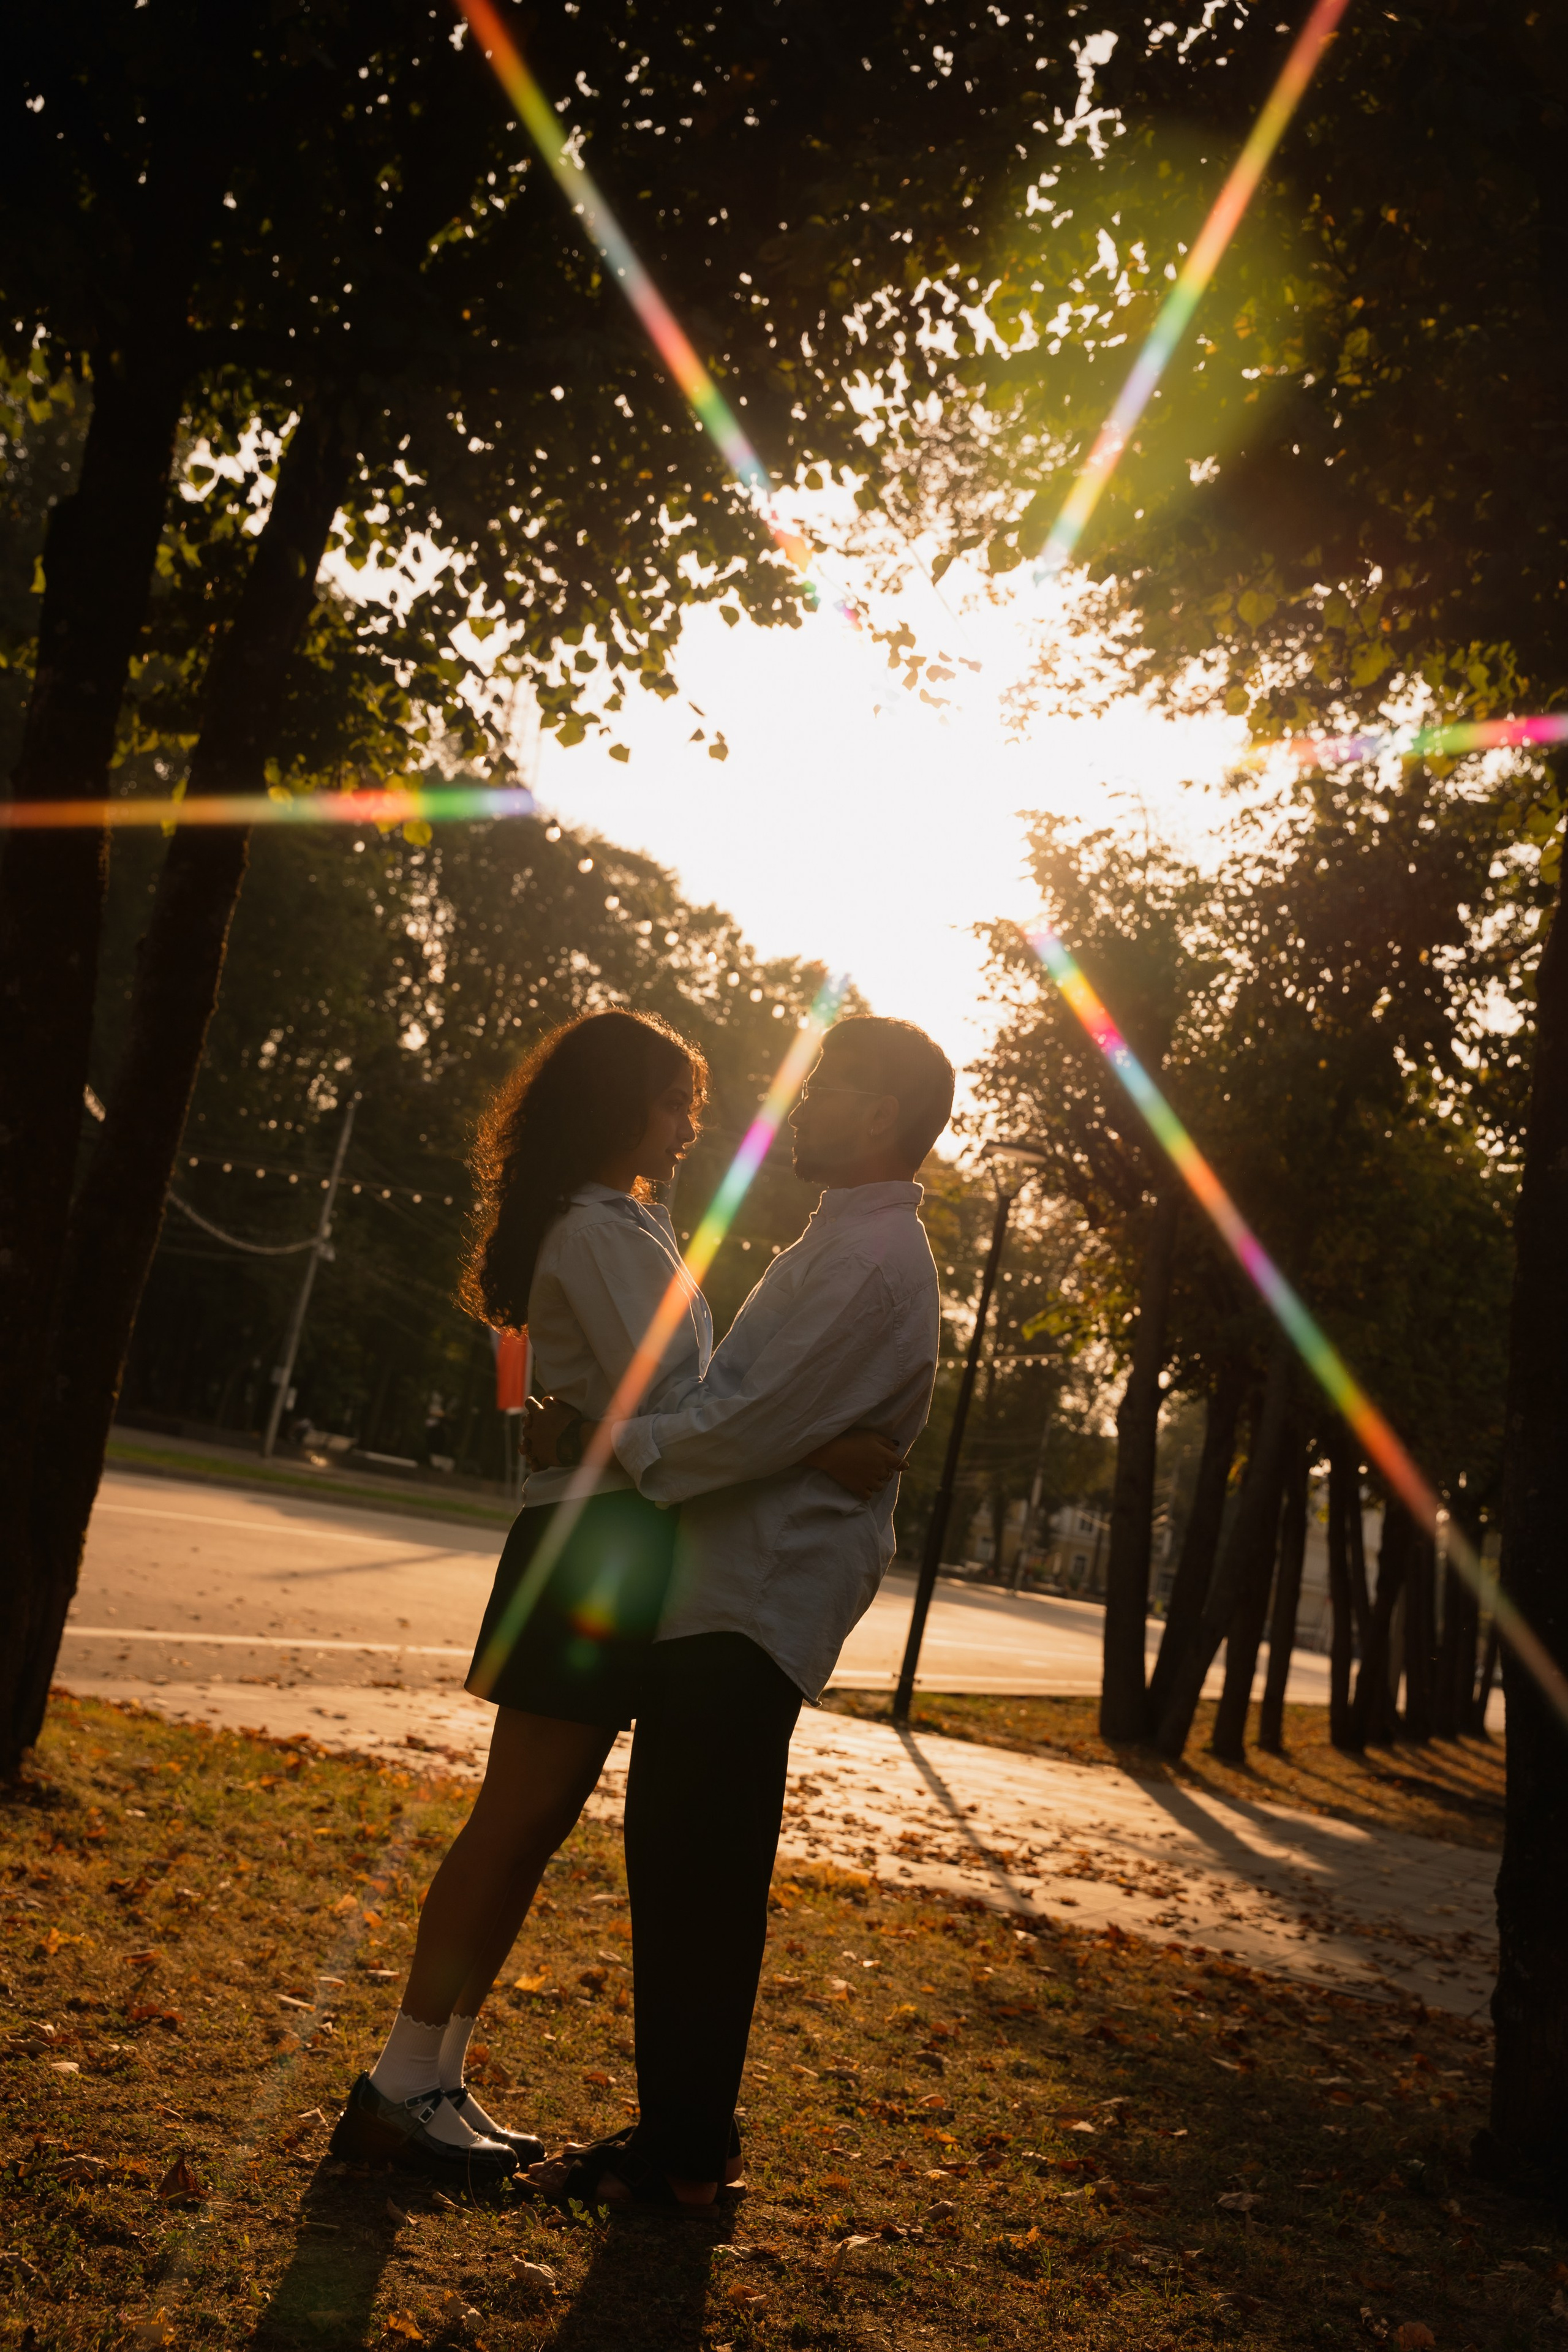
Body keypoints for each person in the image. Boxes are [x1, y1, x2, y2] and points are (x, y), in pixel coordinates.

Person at [330, 1008, 887, 2188]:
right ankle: (396, 2083)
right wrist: (810, 1444)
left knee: (534, 1825)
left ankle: (436, 2076)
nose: (693, 1124)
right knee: (518, 1814)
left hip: (614, 1536)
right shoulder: (597, 1230)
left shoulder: (625, 1223)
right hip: (590, 1545)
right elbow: (691, 1409)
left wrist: (639, 1429)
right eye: (675, 1100)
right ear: (617, 1105)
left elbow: (636, 1406)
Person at [527, 1014, 952, 2210]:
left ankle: (683, 2157)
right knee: (679, 1871)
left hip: (750, 1602)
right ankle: (680, 2140)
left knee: (697, 1876)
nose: (800, 1106)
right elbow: (763, 1415)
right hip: (721, 1589)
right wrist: (812, 1441)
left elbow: (730, 1426)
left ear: (877, 1117)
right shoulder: (840, 1243)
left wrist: (597, 1439)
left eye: (826, 1087)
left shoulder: (867, 1262)